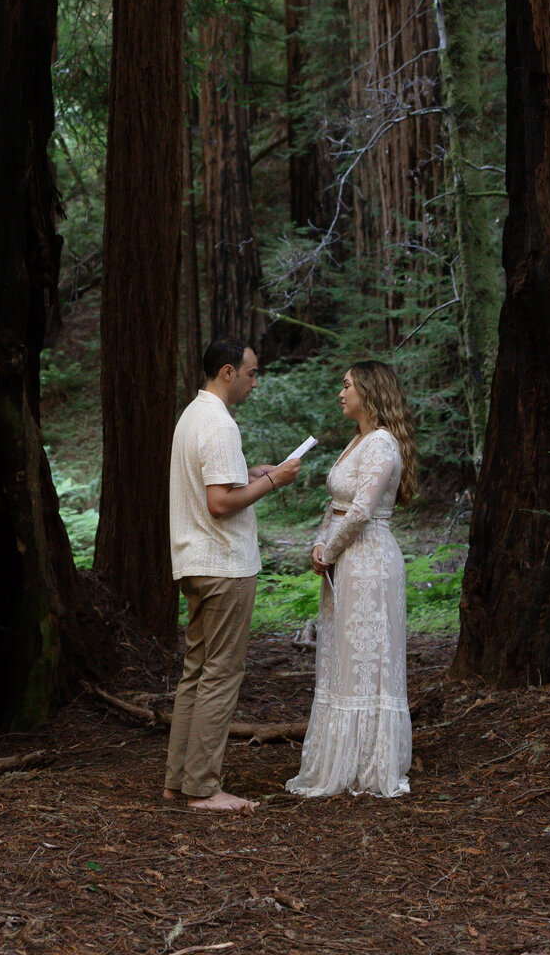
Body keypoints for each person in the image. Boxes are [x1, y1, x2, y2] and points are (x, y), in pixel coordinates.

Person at [163, 337, 302, 812]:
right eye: (250, 373)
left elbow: (215, 482)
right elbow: (219, 503)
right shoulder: (220, 424)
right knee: (220, 675)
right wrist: (272, 480)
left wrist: (253, 471)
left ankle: (178, 780)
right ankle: (203, 787)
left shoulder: (191, 416)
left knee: (196, 673)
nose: (254, 381)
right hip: (223, 565)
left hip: (195, 562)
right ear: (227, 372)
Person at [286, 360, 417, 799]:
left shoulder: (381, 443)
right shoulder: (357, 440)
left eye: (346, 385)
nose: (340, 393)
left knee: (368, 661)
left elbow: (362, 510)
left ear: (368, 390)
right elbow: (338, 506)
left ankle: (370, 765)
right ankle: (338, 760)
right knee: (343, 659)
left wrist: (332, 549)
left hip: (370, 561)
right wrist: (320, 544)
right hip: (346, 561)